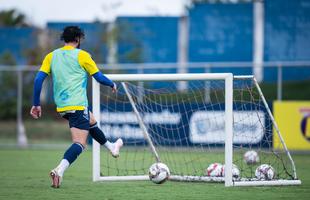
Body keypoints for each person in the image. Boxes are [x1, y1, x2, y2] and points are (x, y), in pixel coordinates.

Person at [30, 26, 123, 188]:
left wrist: (36, 104)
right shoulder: (83, 55)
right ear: (78, 39)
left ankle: (111, 147)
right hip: (77, 105)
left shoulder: (51, 56)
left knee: (92, 121)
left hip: (62, 107)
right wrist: (112, 84)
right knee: (80, 143)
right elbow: (98, 77)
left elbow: (38, 80)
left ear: (64, 39)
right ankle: (59, 170)